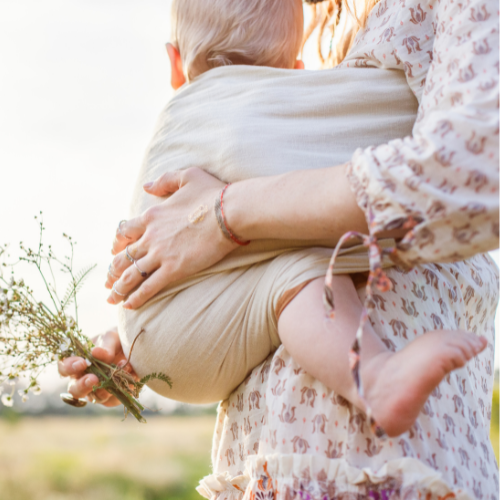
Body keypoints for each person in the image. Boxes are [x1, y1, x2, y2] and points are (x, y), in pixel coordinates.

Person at [59, 0, 499, 497]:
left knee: (300, 261)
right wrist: (169, 306)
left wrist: (218, 222)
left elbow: (471, 163)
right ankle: (373, 375)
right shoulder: (311, 74)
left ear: (173, 63)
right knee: (300, 264)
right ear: (293, 70)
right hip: (272, 452)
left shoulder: (189, 118)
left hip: (367, 462)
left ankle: (376, 376)